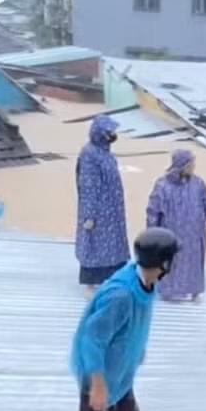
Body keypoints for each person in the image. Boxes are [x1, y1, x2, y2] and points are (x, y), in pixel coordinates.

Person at [70, 227, 180, 411]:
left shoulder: (148, 283)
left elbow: (135, 324)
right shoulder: (120, 296)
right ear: (164, 264)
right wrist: (97, 385)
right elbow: (92, 339)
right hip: (98, 374)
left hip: (121, 371)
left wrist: (137, 351)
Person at [145, 150, 206, 302]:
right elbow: (153, 209)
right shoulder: (163, 185)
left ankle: (195, 291)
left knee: (194, 262)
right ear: (182, 166)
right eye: (191, 164)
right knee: (171, 261)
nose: (194, 167)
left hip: (194, 233)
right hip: (171, 233)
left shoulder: (198, 183)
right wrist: (151, 230)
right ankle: (167, 291)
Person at [75, 115, 130, 293]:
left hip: (112, 210)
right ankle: (90, 284)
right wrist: (89, 215)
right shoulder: (89, 155)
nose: (113, 135)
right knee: (94, 246)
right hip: (99, 211)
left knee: (113, 247)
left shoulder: (106, 153)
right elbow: (88, 186)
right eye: (110, 132)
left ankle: (113, 280)